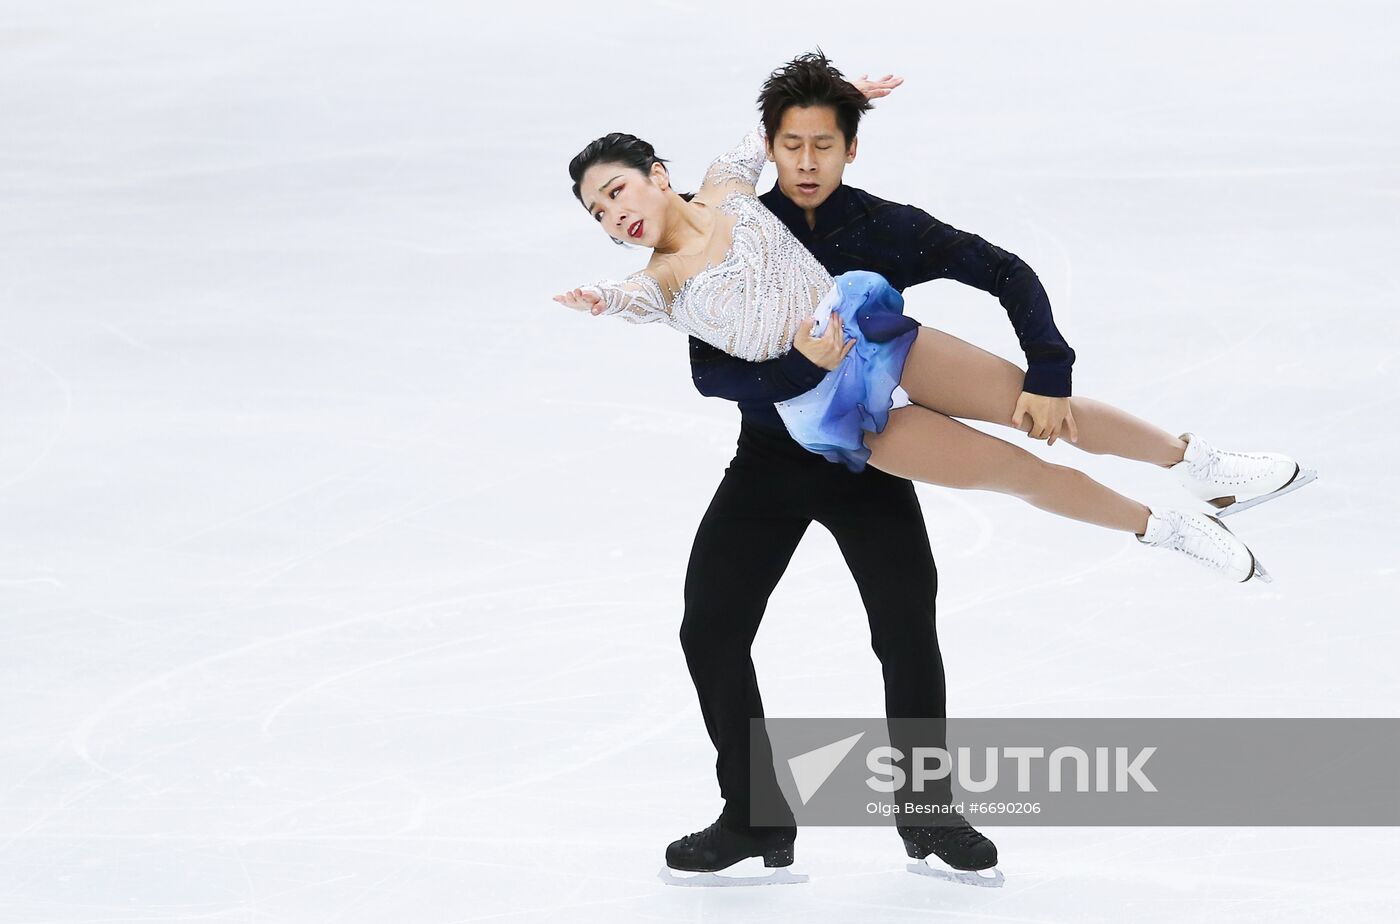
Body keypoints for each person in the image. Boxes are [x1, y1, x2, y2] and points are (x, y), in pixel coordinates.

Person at [554, 55, 1311, 877]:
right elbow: (667, 333)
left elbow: (762, 140)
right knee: (720, 623)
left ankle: (1194, 471)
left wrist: (844, 96)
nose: (614, 213)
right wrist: (600, 298)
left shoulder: (745, 190)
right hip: (808, 440)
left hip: (879, 345)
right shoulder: (663, 280)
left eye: (618, 190)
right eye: (599, 211)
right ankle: (755, 818)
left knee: (1020, 435)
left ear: (658, 175)